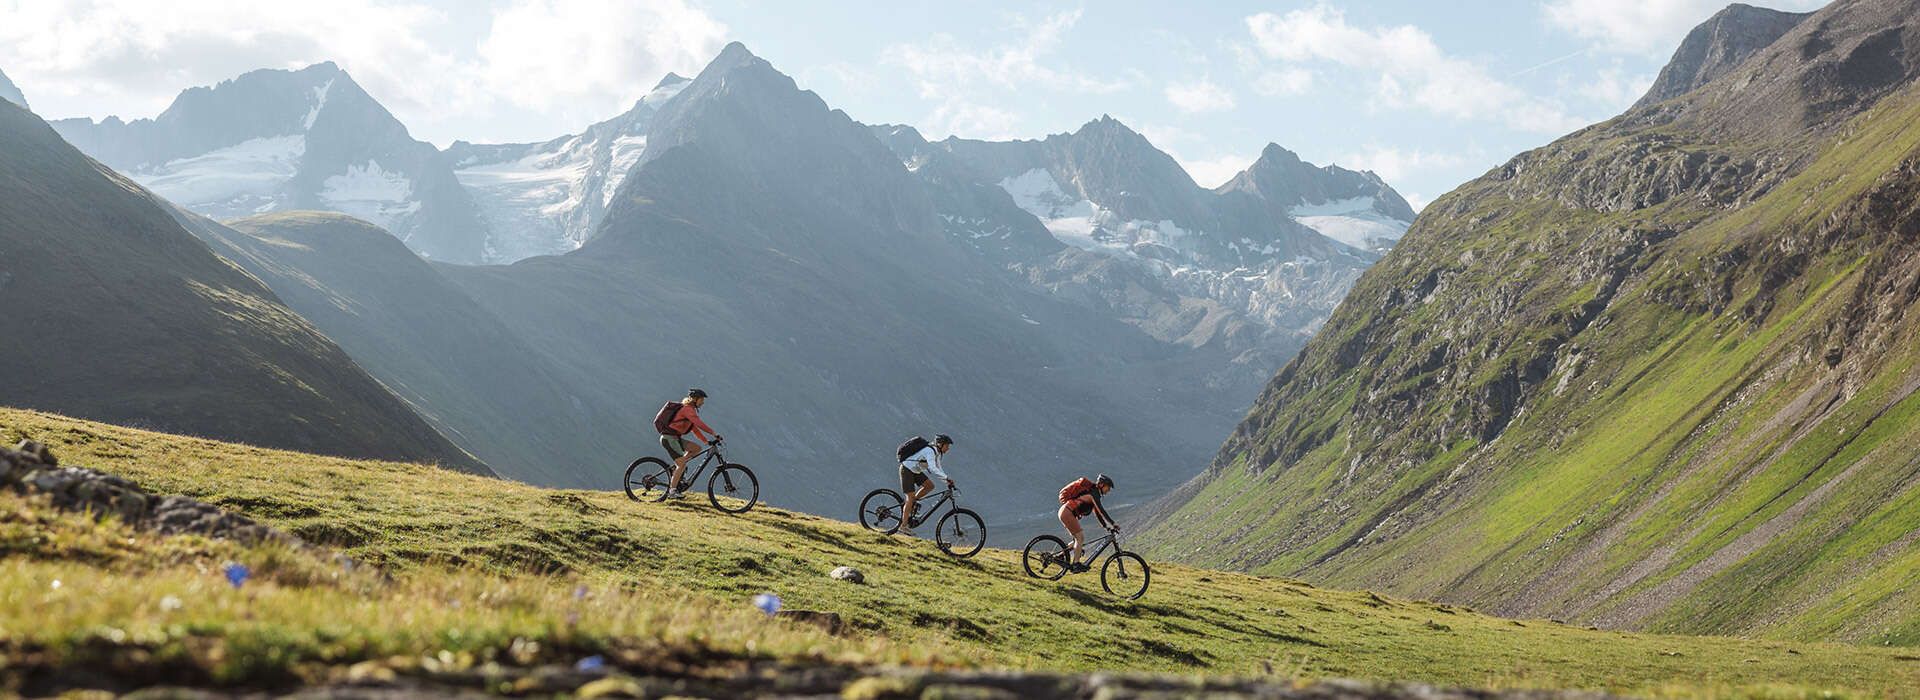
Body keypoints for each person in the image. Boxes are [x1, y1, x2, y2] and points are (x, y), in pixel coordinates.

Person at [661, 389, 721, 499]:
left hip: (676, 438)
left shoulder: (690, 410)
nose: (703, 402)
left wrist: (706, 441)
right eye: (701, 400)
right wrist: (713, 433)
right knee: (682, 464)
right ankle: (672, 492)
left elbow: (694, 429)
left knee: (696, 448)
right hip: (669, 439)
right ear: (694, 399)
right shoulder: (688, 410)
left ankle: (677, 468)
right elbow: (699, 424)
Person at [898, 434, 954, 536]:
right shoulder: (930, 451)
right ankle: (903, 526)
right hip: (907, 469)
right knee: (910, 497)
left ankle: (912, 504)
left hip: (915, 470)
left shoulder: (937, 453)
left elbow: (938, 468)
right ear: (940, 444)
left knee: (929, 486)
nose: (948, 448)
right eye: (947, 446)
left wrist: (947, 480)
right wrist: (946, 478)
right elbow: (932, 468)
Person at [1057, 473, 1115, 572]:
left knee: (1077, 540)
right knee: (1080, 537)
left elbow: (1097, 513)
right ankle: (1076, 564)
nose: (1108, 491)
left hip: (1066, 511)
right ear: (1101, 485)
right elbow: (1101, 510)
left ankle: (1059, 556)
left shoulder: (1094, 494)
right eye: (1108, 488)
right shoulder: (1093, 494)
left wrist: (1106, 526)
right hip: (1067, 512)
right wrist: (1113, 523)